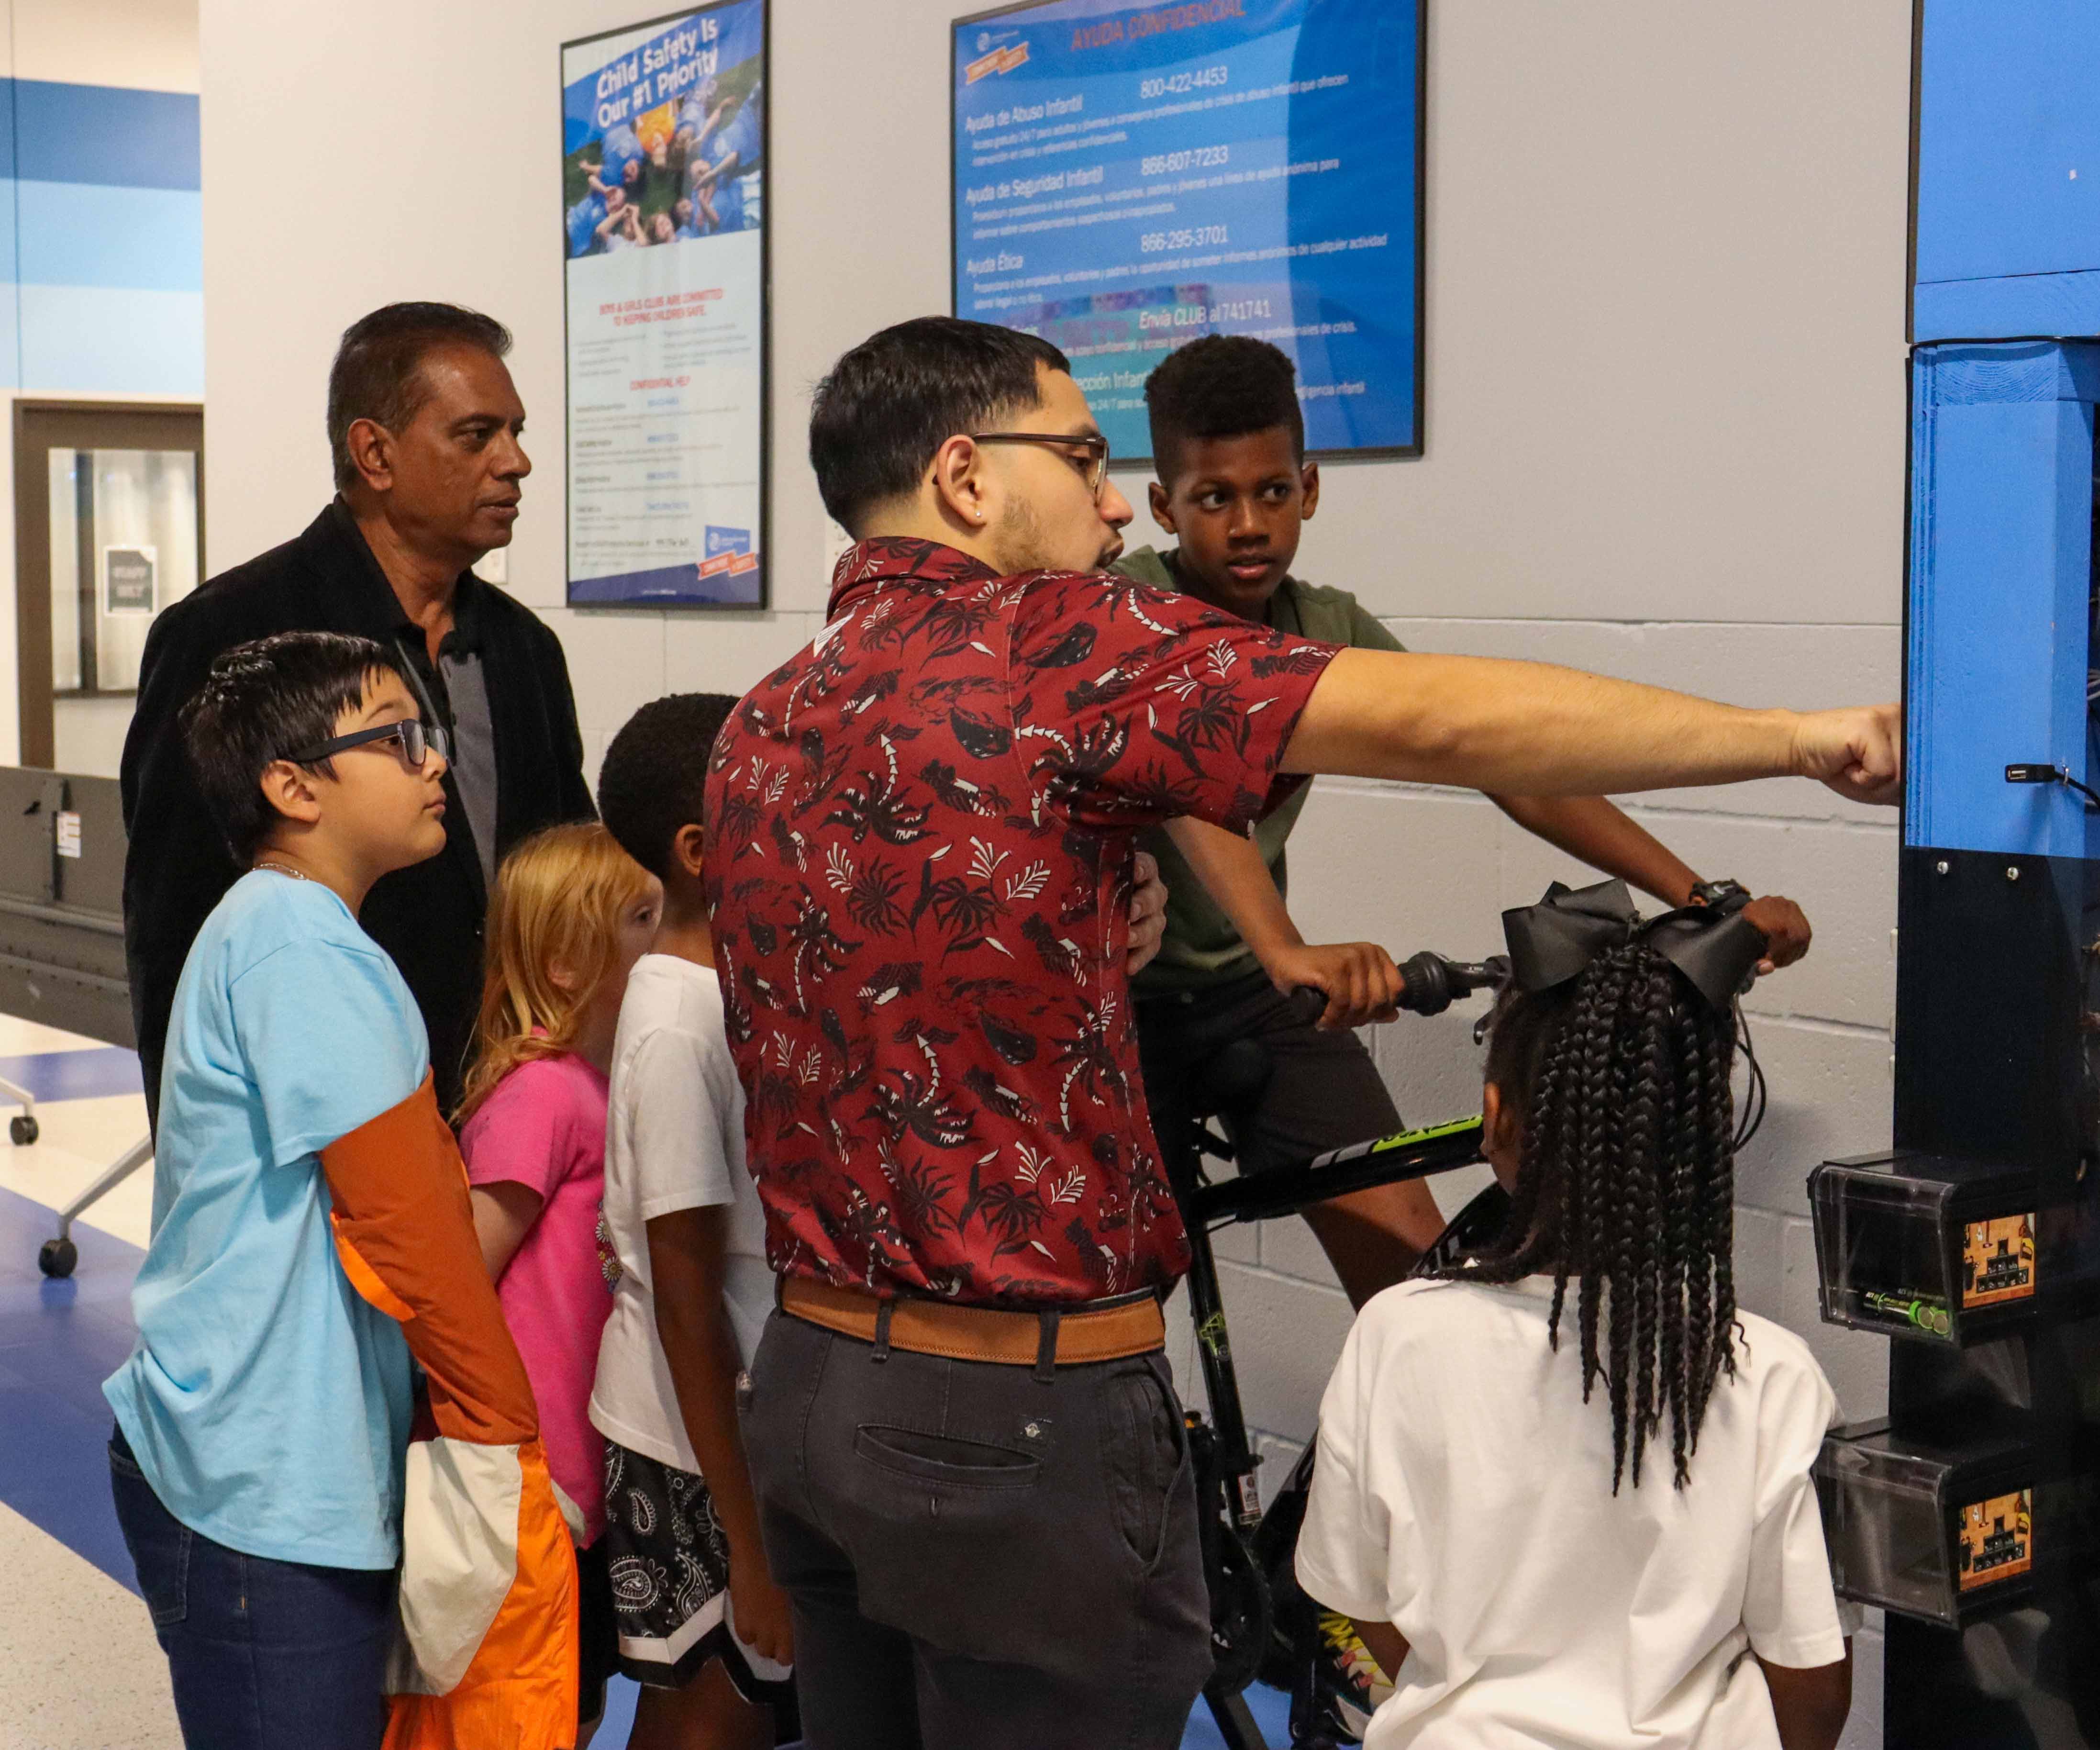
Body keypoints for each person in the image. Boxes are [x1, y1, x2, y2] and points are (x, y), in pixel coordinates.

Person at [705, 314, 1896, 1750]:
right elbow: (1453, 727)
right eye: (1082, 457)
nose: (1105, 500)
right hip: (1010, 1430)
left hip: (817, 1385)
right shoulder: (1054, 644)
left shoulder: (769, 711)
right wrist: (1788, 736)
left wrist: (1109, 919)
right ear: (964, 478)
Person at [1123, 334, 1813, 1306]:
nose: (1247, 524)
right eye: (1212, 498)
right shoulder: (1126, 611)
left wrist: (1700, 897)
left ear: (1309, 487)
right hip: (1115, 1007)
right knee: (1100, 1314)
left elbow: (1500, 762)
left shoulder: (1326, 624)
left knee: (1416, 1288)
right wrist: (1286, 944)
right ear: (1163, 506)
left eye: (1271, 492)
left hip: (1251, 993)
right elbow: (1187, 782)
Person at [104, 632, 571, 1750]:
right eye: (399, 738)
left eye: (432, 737)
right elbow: (409, 1224)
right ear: (293, 784)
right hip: (260, 1480)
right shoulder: (295, 945)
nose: (432, 765)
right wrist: (510, 1447)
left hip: (268, 1461)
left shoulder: (286, 930)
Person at [1294, 879, 1856, 1750]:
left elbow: (1365, 1606)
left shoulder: (1398, 1333)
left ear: (1494, 1119)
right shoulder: (1765, 1372)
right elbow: (1811, 1687)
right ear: (1701, 1136)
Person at [122, 301, 593, 1122]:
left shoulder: (523, 650)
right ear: (374, 452)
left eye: (516, 432)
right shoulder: (231, 634)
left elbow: (561, 874)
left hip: (510, 1119)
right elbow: (176, 924)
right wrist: (202, 1155)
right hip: (321, 1120)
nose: (515, 462)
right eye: (477, 435)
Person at [591, 693, 800, 1750]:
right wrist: (752, 1548)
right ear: (696, 847)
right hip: (690, 1445)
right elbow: (684, 1304)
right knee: (710, 1713)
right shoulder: (677, 1026)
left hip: (730, 1429)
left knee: (724, 1710)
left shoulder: (725, 990)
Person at [458, 822, 664, 1744]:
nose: (667, 934)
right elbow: (466, 1276)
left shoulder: (596, 1080)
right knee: (537, 1696)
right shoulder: (542, 1093)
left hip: (577, 1469)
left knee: (571, 1692)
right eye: (642, 917)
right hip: (531, 1475)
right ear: (569, 963)